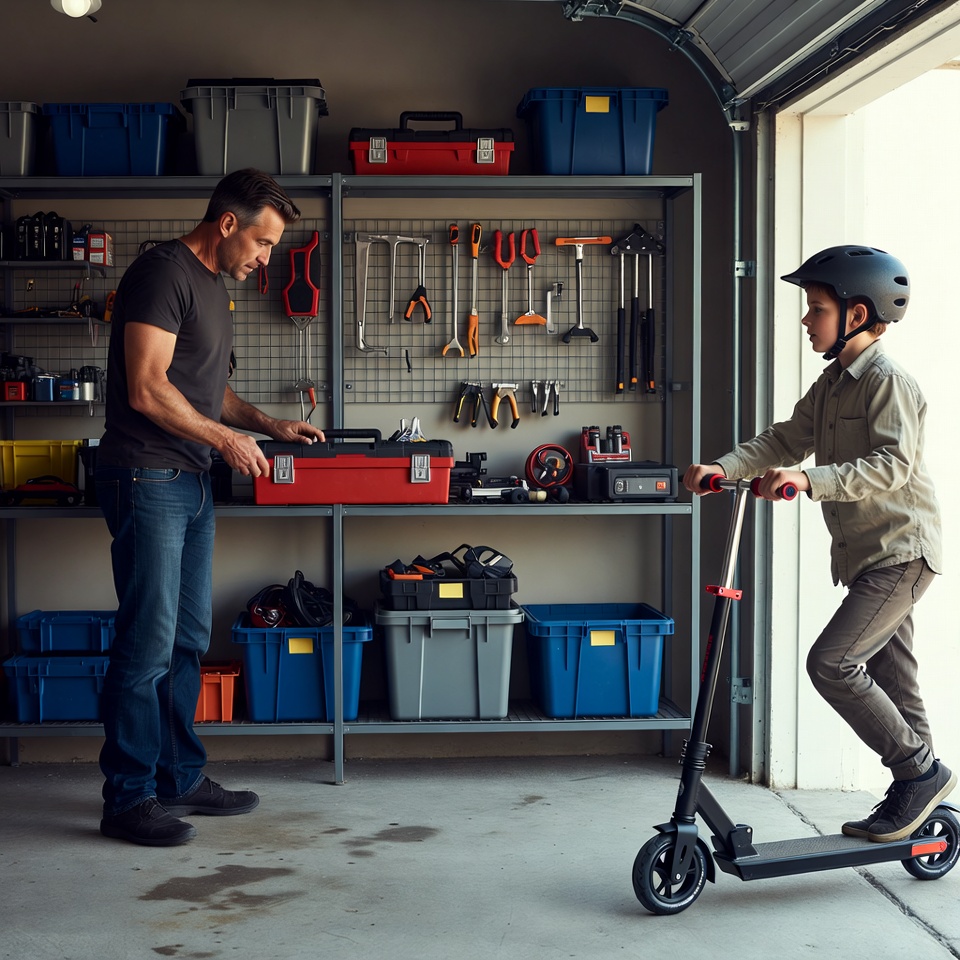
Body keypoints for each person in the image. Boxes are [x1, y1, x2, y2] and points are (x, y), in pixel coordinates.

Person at [683, 244, 954, 843]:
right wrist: (723, 469)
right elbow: (784, 439)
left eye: (817, 307)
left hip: (901, 552)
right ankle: (918, 800)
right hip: (867, 555)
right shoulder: (832, 384)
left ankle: (918, 773)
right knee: (893, 674)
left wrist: (811, 479)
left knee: (832, 663)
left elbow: (893, 465)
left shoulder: (889, 384)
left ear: (856, 315)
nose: (807, 319)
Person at [95, 168, 325, 847]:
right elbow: (145, 387)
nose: (265, 259)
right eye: (262, 242)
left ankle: (178, 777)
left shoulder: (213, 289)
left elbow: (208, 393)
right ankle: (127, 797)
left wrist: (263, 424)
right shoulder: (161, 273)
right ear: (227, 224)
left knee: (188, 639)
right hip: (147, 478)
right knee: (146, 645)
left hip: (190, 482)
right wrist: (225, 440)